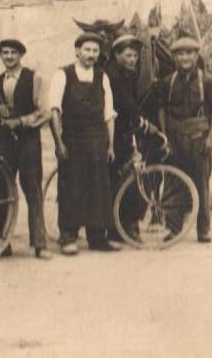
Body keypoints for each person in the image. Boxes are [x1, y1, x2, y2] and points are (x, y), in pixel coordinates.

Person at [48, 32, 120, 255]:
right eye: (87, 50)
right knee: (72, 187)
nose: (91, 54)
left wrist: (111, 145)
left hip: (98, 139)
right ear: (77, 51)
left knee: (98, 187)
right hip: (73, 139)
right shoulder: (63, 74)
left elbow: (108, 113)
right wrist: (59, 143)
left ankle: (97, 237)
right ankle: (68, 237)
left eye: (95, 51)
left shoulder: (102, 77)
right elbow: (53, 111)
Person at [0, 38, 51, 260]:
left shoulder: (34, 78)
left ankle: (40, 244)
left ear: (20, 55)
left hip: (28, 142)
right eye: (4, 53)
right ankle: (1, 242)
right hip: (3, 141)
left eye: (13, 53)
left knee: (32, 188)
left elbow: (44, 112)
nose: (8, 57)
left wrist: (21, 121)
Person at [158, 36, 212, 243]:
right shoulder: (168, 82)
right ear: (174, 57)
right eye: (179, 53)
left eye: (189, 53)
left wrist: (210, 138)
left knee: (201, 184)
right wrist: (164, 136)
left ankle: (203, 229)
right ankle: (174, 229)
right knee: (173, 183)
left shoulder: (208, 81)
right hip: (175, 138)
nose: (184, 57)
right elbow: (162, 110)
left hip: (198, 139)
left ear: (196, 55)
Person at [106, 34, 145, 241]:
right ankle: (115, 229)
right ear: (117, 55)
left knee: (126, 178)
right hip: (112, 134)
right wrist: (142, 121)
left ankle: (125, 226)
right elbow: (125, 103)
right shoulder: (113, 74)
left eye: (135, 56)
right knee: (115, 179)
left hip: (123, 133)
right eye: (129, 55)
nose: (133, 60)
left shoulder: (128, 73)